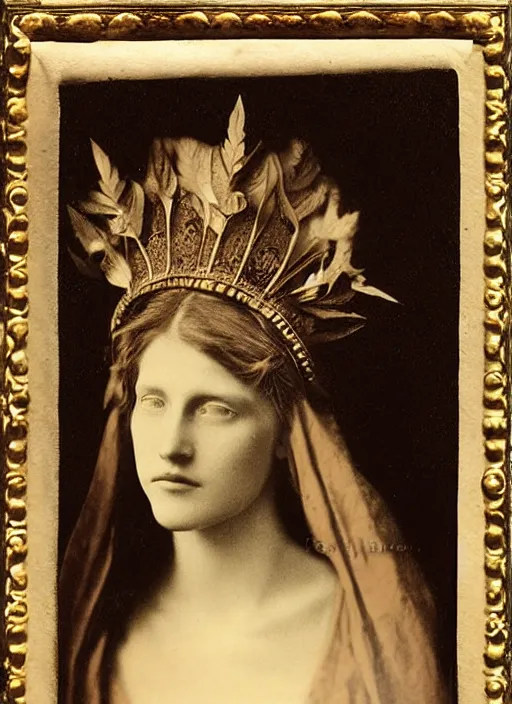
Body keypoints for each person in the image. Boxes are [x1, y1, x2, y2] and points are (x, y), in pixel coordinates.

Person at [61, 97, 448, 704]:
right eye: (153, 401)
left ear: (286, 431)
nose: (171, 445)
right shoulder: (90, 639)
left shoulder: (373, 633)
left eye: (216, 408)